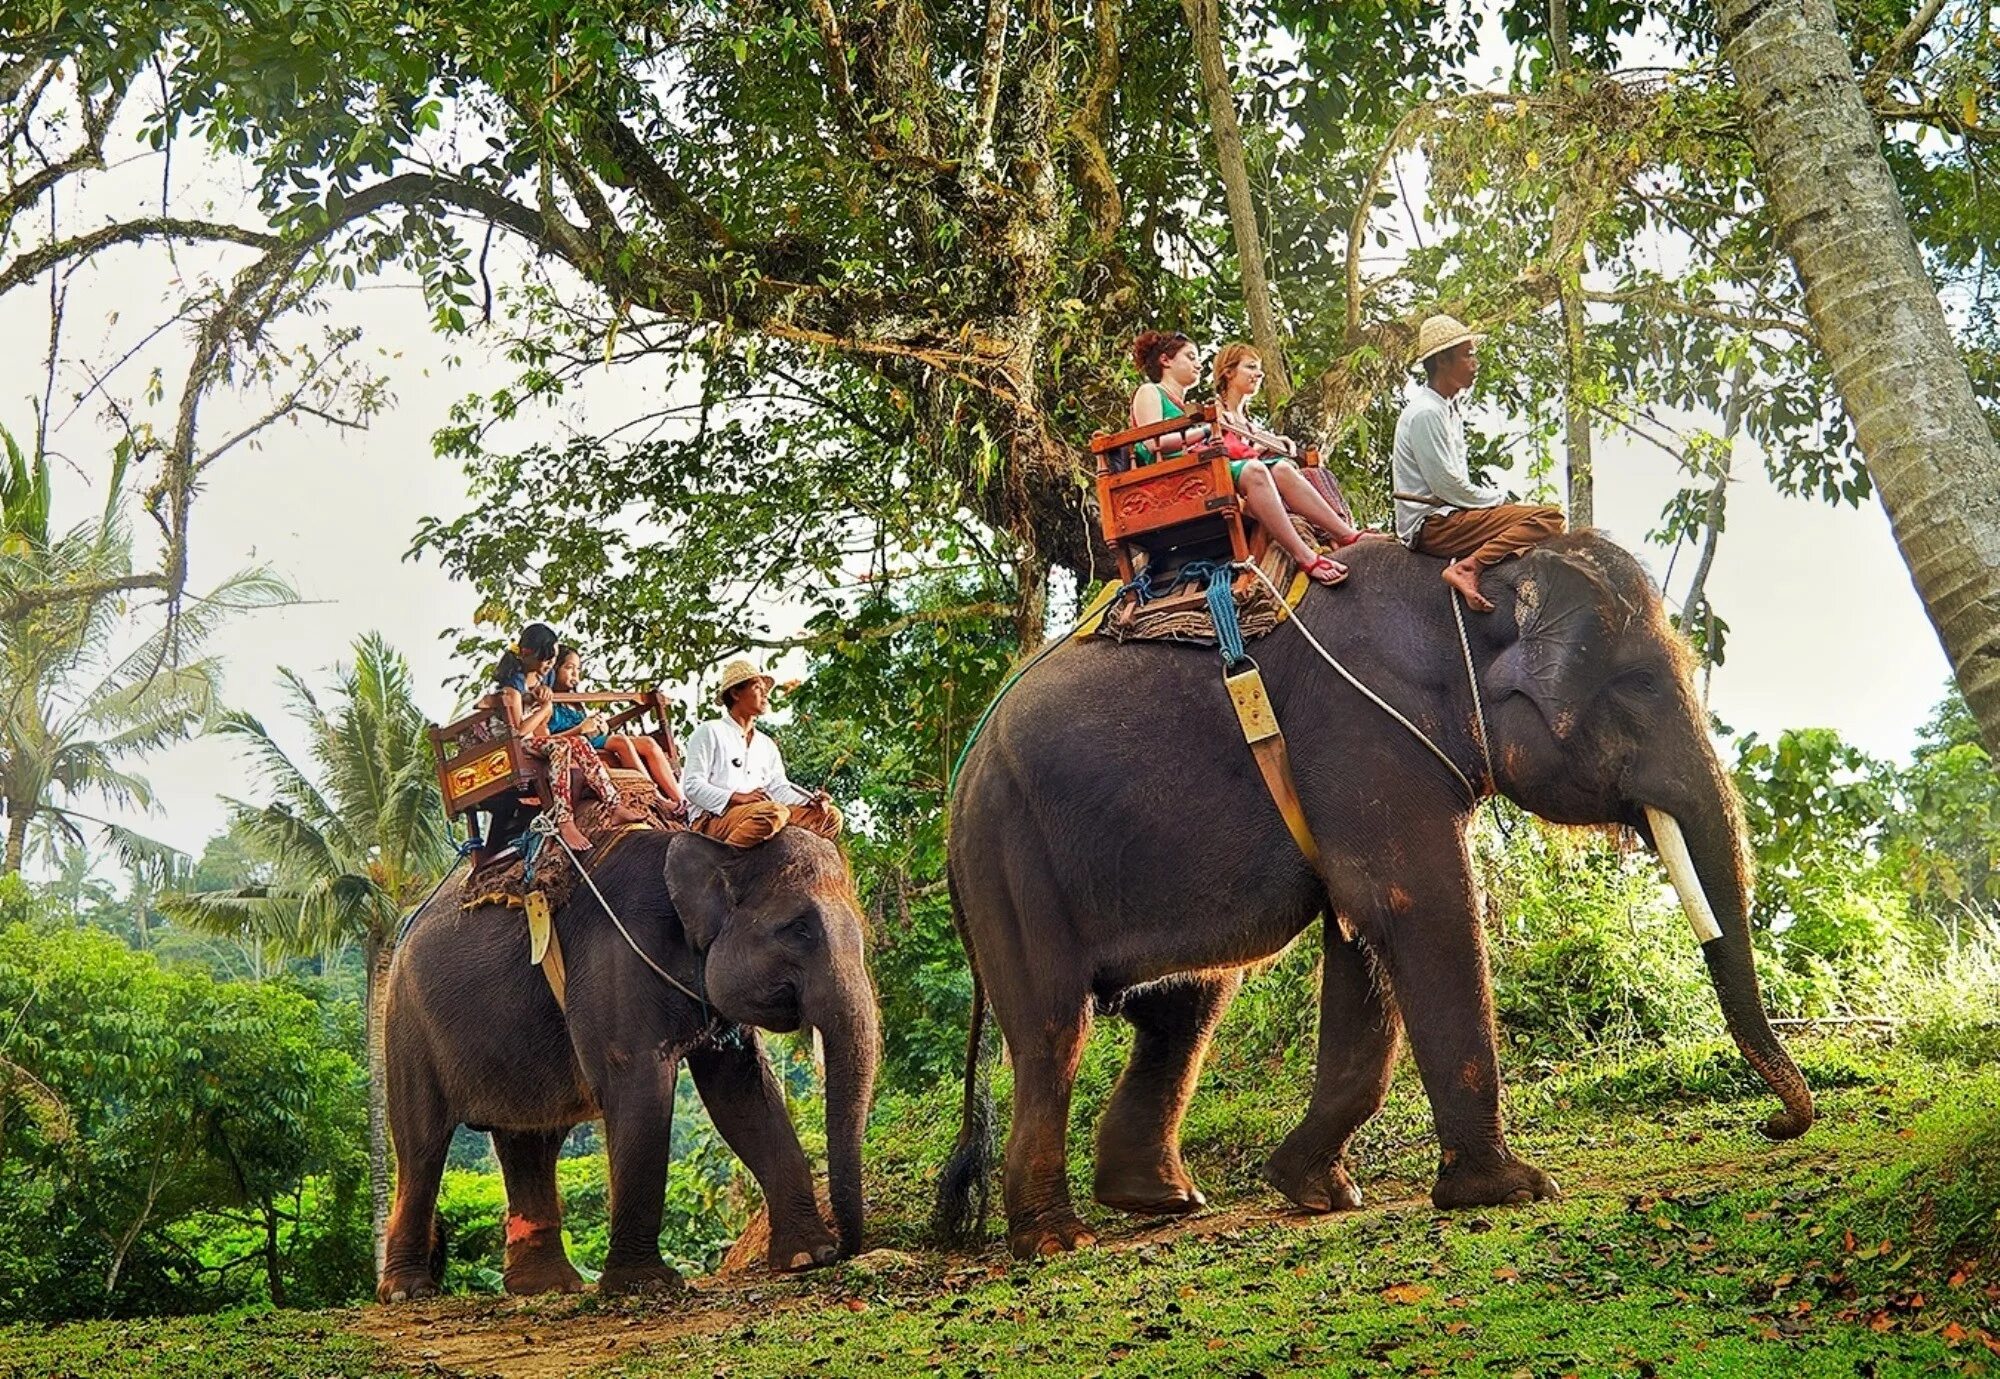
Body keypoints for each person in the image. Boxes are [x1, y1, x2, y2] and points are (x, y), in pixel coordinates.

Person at [1129, 331, 1361, 586]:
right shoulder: (1150, 391)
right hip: (1170, 481)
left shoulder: (1187, 408)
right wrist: (1208, 428)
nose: (1199, 364)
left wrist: (1269, 442)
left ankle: (1347, 534)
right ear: (1165, 360)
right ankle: (1304, 556)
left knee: (1282, 468)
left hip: (1196, 471)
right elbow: (1153, 442)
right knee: (1254, 471)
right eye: (1191, 357)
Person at [1392, 314, 1566, 612]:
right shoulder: (1426, 413)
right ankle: (1468, 567)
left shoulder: (1447, 409)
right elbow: (1447, 487)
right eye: (1467, 355)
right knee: (1549, 519)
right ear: (1443, 362)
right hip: (1436, 524)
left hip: (1452, 514)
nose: (1475, 363)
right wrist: (1497, 500)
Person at [491, 625, 643, 853]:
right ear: (527, 653)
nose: (549, 665)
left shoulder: (545, 677)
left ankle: (614, 805)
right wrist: (545, 708)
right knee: (561, 745)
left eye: (552, 660)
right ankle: (565, 821)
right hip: (515, 744)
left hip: (534, 738)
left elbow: (543, 693)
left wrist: (543, 694)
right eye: (545, 660)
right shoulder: (513, 687)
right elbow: (519, 732)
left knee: (580, 742)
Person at [680, 660, 842, 848]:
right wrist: (737, 797)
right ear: (735, 693)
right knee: (774, 812)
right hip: (715, 819)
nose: (765, 694)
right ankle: (724, 863)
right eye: (757, 687)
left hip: (761, 815)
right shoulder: (710, 731)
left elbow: (779, 788)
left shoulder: (766, 744)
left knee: (830, 816)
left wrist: (810, 801)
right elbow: (692, 786)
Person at [547, 645, 688, 816]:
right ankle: (656, 798)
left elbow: (590, 727)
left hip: (591, 738)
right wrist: (581, 729)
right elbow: (545, 741)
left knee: (648, 743)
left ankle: (681, 800)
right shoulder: (548, 702)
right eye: (569, 668)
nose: (575, 674)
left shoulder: (575, 701)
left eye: (578, 669)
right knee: (619, 741)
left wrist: (600, 724)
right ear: (554, 668)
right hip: (575, 744)